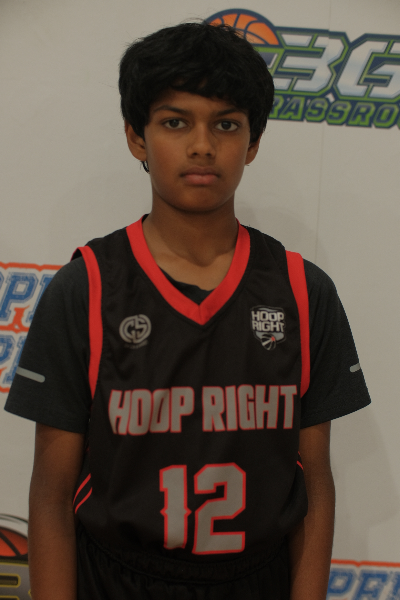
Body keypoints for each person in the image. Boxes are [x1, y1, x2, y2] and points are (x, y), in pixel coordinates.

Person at [5, 21, 371, 600]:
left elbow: (316, 483)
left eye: (226, 124)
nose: (202, 145)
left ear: (252, 142)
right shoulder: (87, 289)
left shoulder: (304, 291)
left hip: (257, 580)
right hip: (116, 581)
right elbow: (51, 495)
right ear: (137, 137)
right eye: (175, 122)